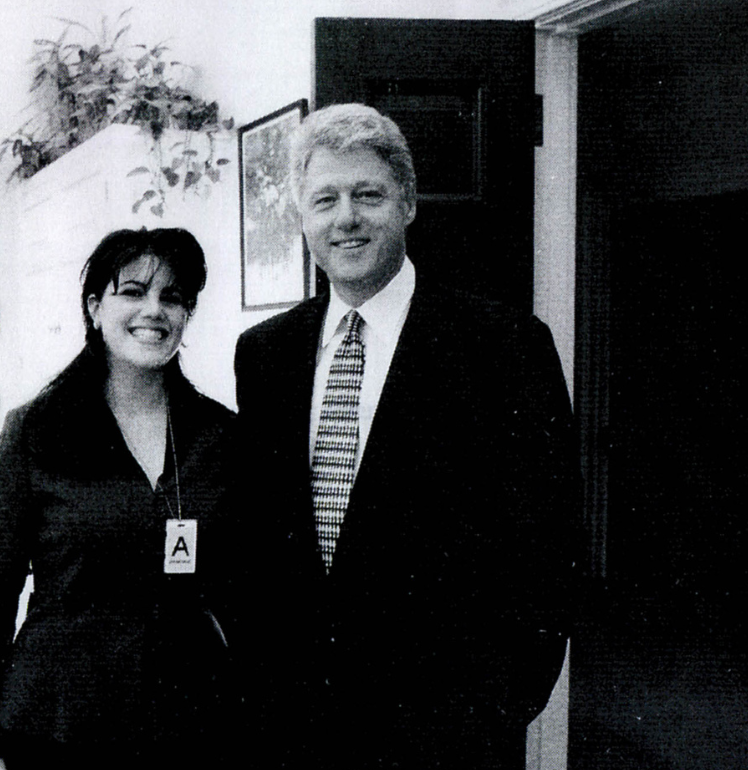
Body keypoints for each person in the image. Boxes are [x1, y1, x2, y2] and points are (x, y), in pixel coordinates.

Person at [233, 103, 581, 769]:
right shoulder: (265, 354)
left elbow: (550, 540)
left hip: (446, 728)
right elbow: (264, 540)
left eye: (369, 194)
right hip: (299, 725)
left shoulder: (503, 347)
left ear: (409, 203)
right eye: (325, 199)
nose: (347, 218)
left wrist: (504, 700)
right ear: (302, 217)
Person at [0, 228, 240, 770]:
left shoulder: (219, 435)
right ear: (95, 307)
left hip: (190, 722)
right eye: (133, 292)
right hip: (61, 724)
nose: (153, 310)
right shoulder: (36, 431)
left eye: (173, 297)